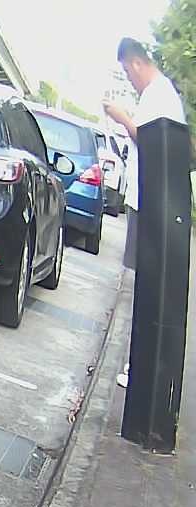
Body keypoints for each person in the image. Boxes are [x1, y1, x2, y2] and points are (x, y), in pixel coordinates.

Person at [104, 37, 187, 386]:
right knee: (144, 285)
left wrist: (121, 117)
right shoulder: (158, 94)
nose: (129, 78)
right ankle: (138, 365)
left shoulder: (159, 95)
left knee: (147, 288)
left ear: (136, 63)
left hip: (150, 202)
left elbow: (153, 140)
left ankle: (139, 368)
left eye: (127, 71)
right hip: (148, 200)